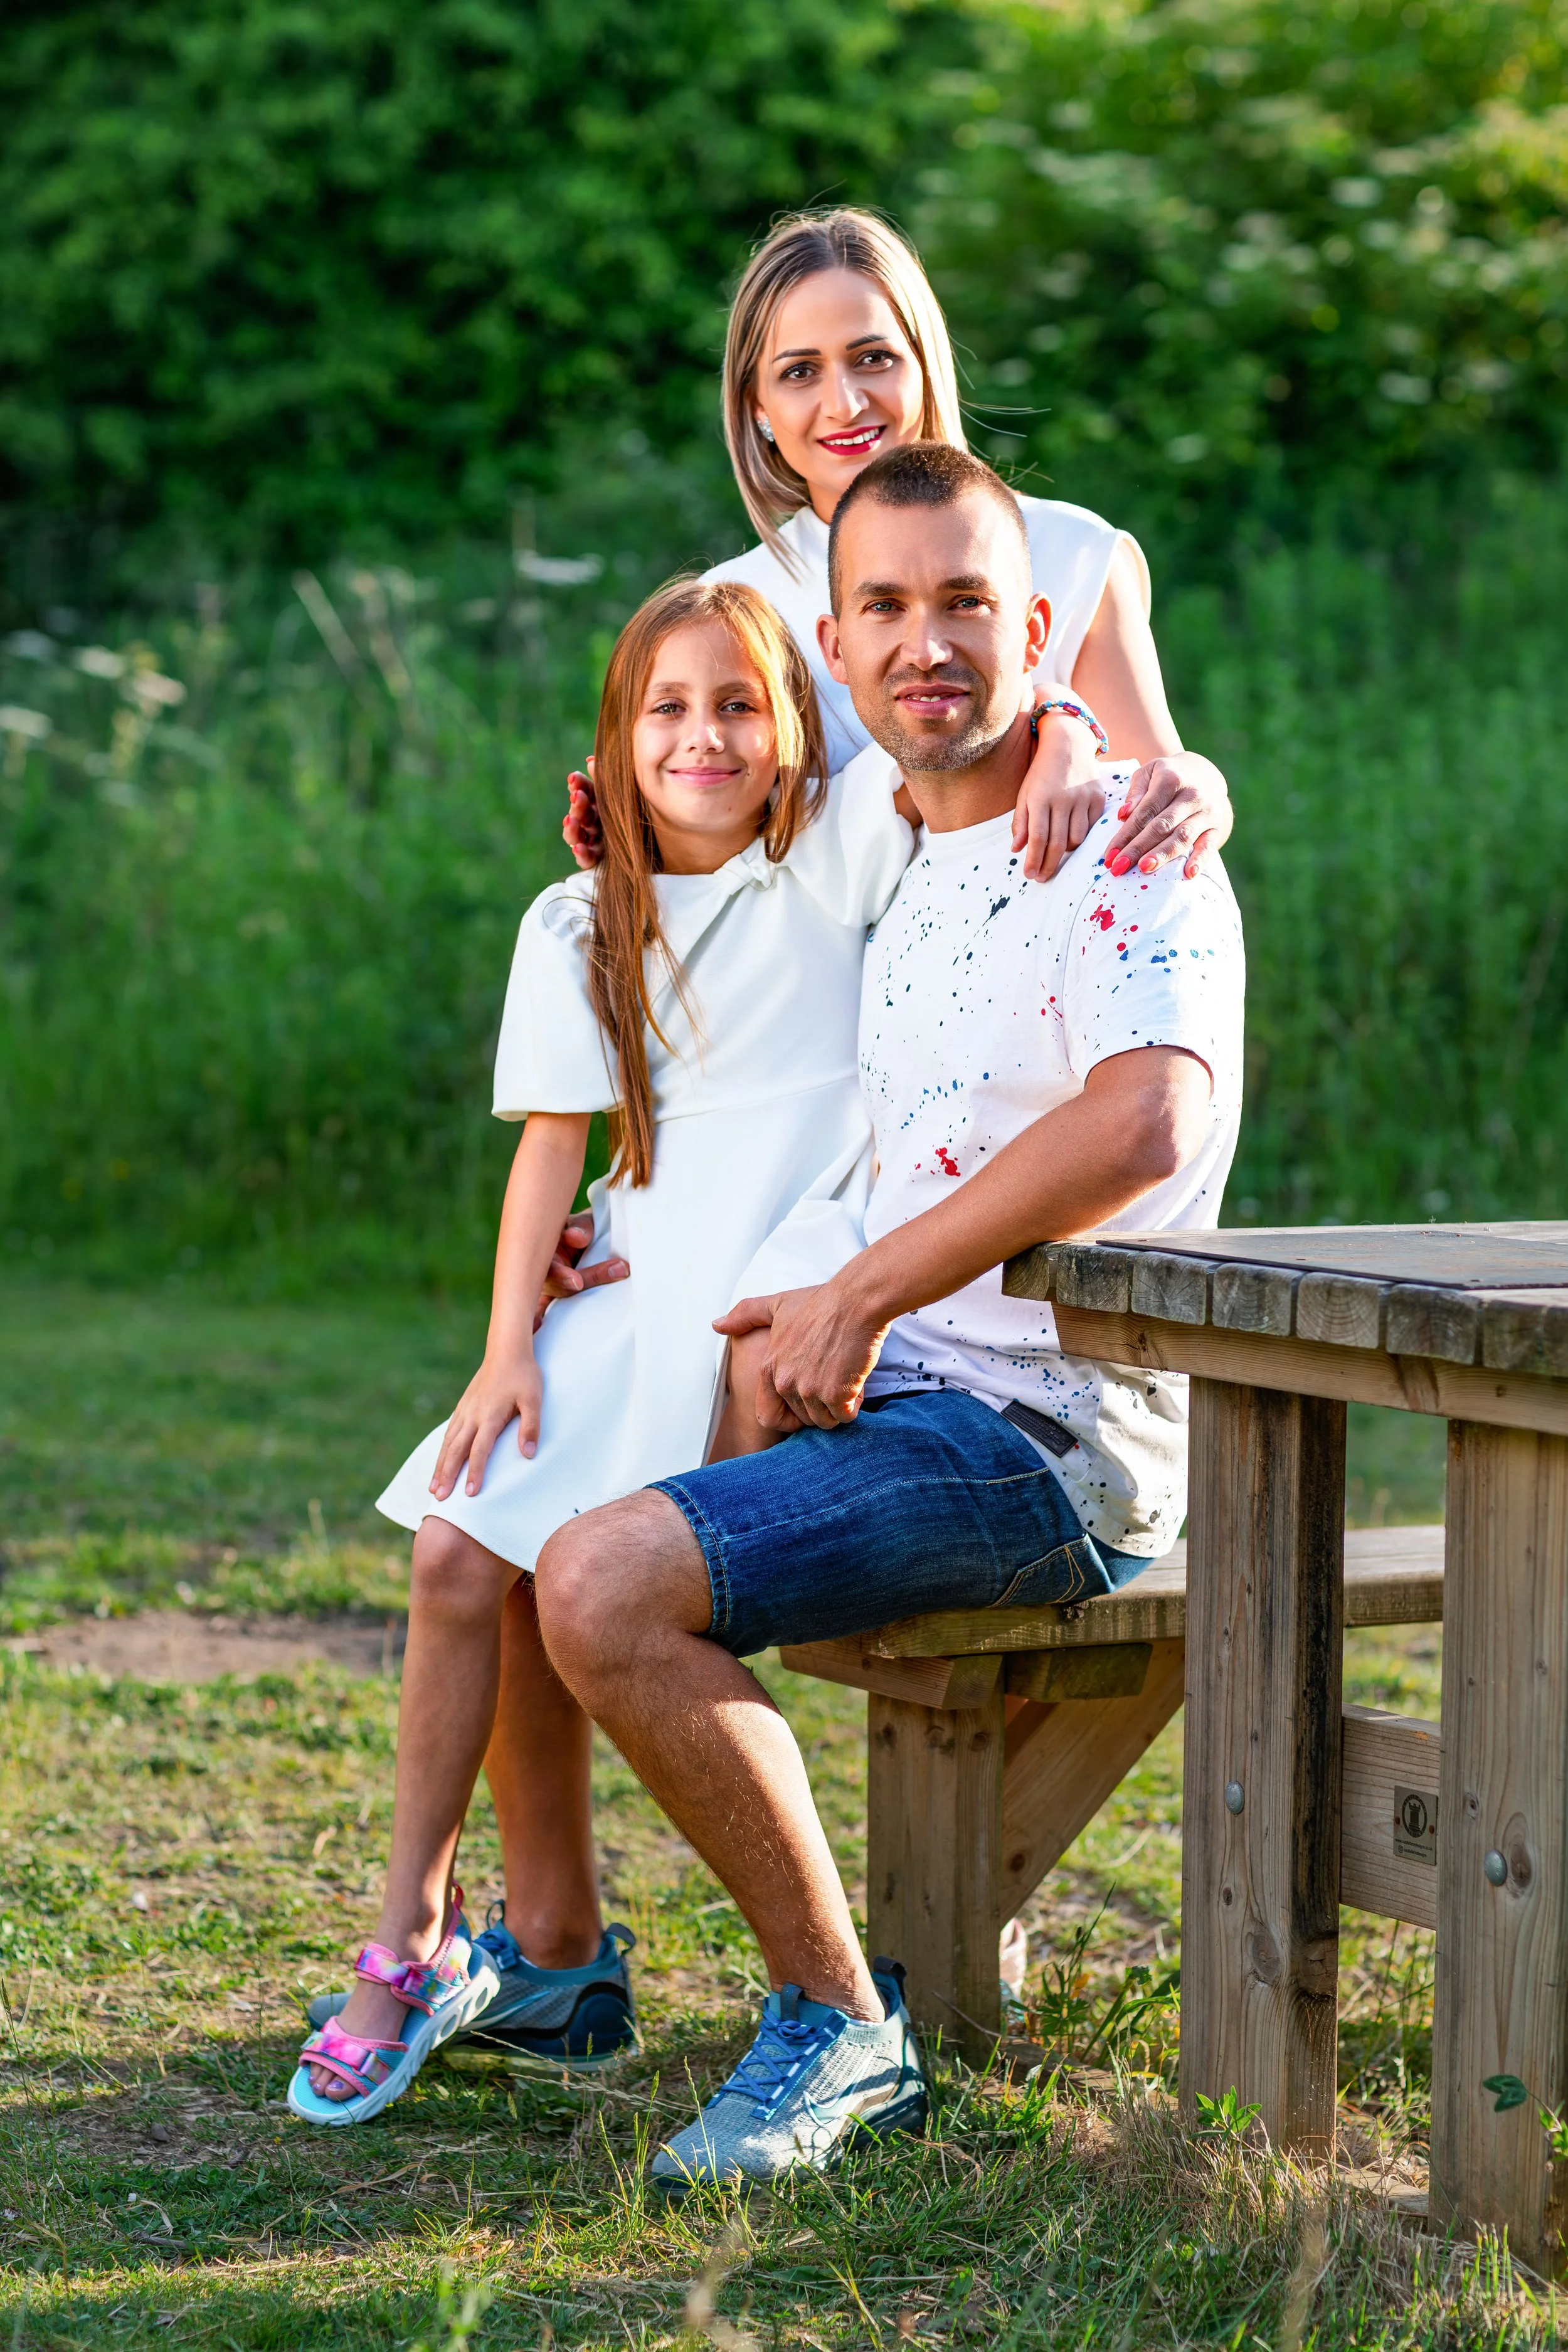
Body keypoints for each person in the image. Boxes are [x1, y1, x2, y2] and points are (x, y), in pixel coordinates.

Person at [527, 442, 1246, 2191]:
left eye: (963, 604)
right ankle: (522, 1948)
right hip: (900, 1389)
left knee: (604, 1579)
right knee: (538, 1499)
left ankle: (839, 2023)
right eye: (885, 609)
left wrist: (860, 1288)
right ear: (835, 651)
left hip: (1049, 1434)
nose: (925, 640)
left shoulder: (1129, 841)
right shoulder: (909, 860)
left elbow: (1142, 1115)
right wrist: (603, 1234)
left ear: (1039, 625)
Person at [287, 575, 920, 2123]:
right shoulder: (580, 916)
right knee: (451, 1553)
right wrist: (507, 1345)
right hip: (627, 1284)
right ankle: (412, 1934)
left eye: (737, 704)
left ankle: (561, 1954)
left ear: (794, 733)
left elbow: (953, 721)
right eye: (665, 708)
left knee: (583, 1576)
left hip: (763, 1297)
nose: (701, 735)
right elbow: (547, 1155)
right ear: (615, 742)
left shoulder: (834, 859)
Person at [562, 206, 1234, 893]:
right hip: (830, 991)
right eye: (799, 373)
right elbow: (711, 858)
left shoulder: (1071, 550)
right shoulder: (732, 612)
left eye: (873, 358)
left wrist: (1188, 778)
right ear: (755, 405)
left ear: (924, 362)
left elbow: (1159, 814)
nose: (845, 403)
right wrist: (640, 826)